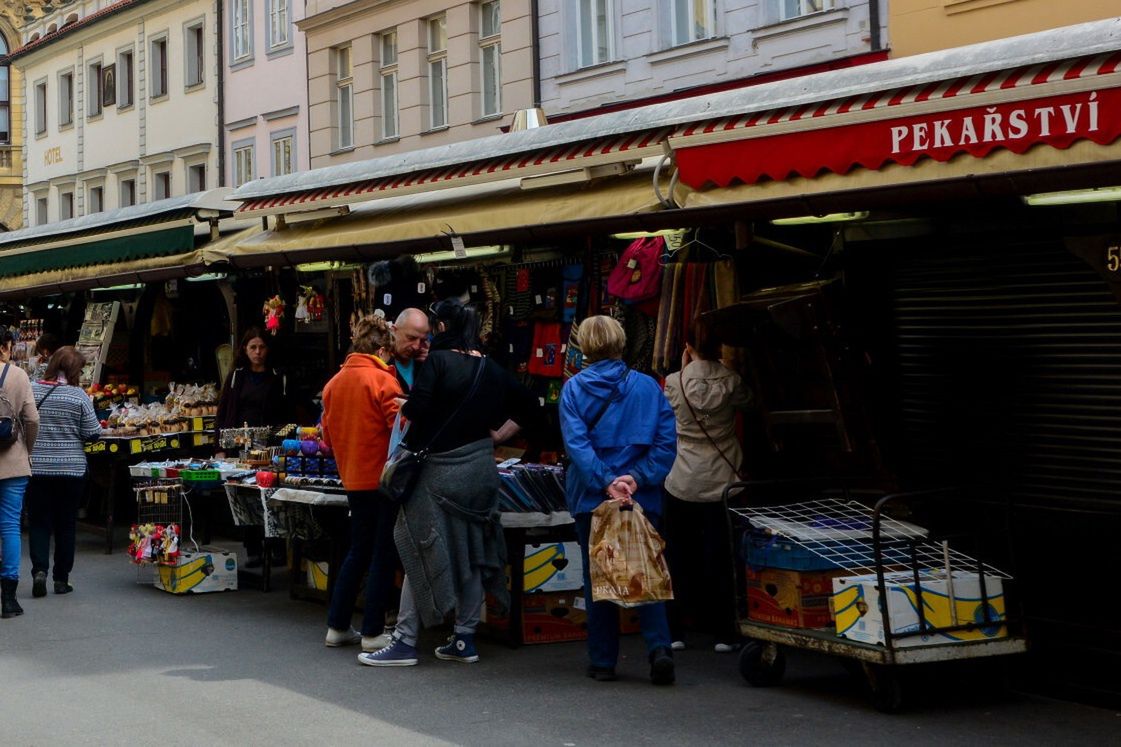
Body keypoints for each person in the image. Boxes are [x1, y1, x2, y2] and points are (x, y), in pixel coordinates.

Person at [360, 299, 536, 667]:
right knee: (473, 551)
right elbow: (530, 406)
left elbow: (417, 409)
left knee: (418, 547)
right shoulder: (491, 367)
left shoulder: (438, 362)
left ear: (441, 328)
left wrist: (408, 404)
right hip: (481, 471)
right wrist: (497, 436)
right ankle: (464, 639)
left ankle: (405, 641)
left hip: (441, 474)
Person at [559, 315, 678, 685]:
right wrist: (636, 478)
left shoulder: (574, 389)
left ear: (584, 347)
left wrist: (607, 482)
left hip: (592, 498)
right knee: (647, 569)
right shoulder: (648, 387)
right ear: (621, 342)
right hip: (642, 496)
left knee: (599, 576)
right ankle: (659, 648)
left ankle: (603, 661)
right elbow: (666, 442)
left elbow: (577, 446)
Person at [663, 319, 751, 653]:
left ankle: (676, 629)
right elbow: (750, 402)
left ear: (687, 346)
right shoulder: (731, 380)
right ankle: (724, 632)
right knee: (721, 557)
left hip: (683, 478)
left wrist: (685, 367)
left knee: (678, 555)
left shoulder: (674, 382)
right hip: (723, 479)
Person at [321, 315, 404, 653]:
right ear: (382, 350)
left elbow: (326, 439)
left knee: (358, 551)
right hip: (382, 479)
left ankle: (338, 626)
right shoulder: (383, 381)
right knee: (383, 553)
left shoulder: (333, 384)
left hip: (352, 479)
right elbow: (400, 431)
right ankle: (372, 632)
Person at [27, 347, 101, 597]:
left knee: (38, 522)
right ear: (73, 371)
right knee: (66, 524)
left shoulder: (32, 389)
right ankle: (61, 579)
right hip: (71, 470)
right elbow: (93, 432)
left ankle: (39, 571)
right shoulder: (78, 396)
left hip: (37, 468)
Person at [215, 328, 289, 566]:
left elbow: (285, 412)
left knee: (272, 494)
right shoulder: (237, 377)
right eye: (253, 347)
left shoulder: (277, 377)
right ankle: (253, 549)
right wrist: (219, 447)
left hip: (271, 448)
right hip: (241, 448)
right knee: (247, 496)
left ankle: (276, 546)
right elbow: (223, 413)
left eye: (262, 347)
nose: (258, 352)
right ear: (245, 350)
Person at [0, 328, 39, 619]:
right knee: (10, 526)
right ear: (5, 346)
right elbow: (32, 418)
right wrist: (27, 448)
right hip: (13, 460)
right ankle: (9, 598)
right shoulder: (17, 375)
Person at [390, 308, 431, 394]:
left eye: (422, 341)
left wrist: (431, 366)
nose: (416, 347)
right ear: (393, 331)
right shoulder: (379, 363)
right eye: (411, 338)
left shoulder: (425, 363)